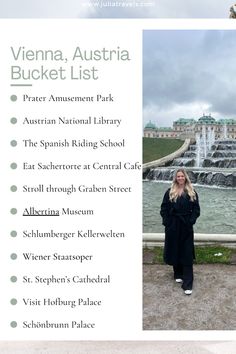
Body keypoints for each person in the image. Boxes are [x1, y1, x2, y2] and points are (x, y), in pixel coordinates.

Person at [160, 168, 200, 295]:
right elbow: (164, 208)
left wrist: (191, 221)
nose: (180, 178)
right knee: (174, 248)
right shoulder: (169, 192)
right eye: (178, 176)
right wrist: (167, 222)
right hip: (173, 225)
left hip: (186, 225)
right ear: (175, 178)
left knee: (187, 252)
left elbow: (196, 209)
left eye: (182, 176)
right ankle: (177, 272)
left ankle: (188, 283)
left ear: (186, 177)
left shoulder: (192, 192)